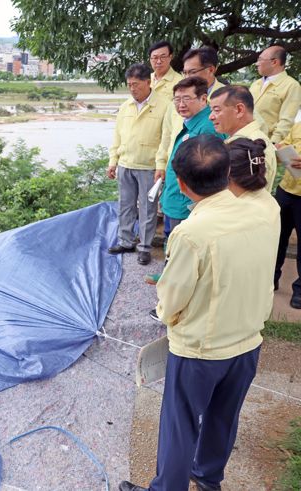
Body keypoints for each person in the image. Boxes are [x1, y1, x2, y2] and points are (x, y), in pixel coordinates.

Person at [119, 135, 280, 491]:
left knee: (181, 424)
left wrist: (166, 312)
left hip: (201, 350)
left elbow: (173, 297)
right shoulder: (265, 210)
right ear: (226, 173)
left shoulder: (192, 232)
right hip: (248, 339)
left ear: (181, 183)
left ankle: (168, 488)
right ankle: (208, 478)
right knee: (223, 416)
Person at [107, 63, 170, 265]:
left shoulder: (165, 105)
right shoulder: (126, 106)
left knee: (147, 208)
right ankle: (126, 241)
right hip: (126, 163)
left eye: (136, 84)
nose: (133, 89)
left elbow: (166, 139)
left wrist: (161, 165)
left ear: (148, 81)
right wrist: (113, 161)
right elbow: (117, 136)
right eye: (129, 85)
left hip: (149, 166)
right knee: (125, 206)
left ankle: (144, 247)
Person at [159, 77, 223, 239]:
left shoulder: (207, 126)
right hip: (175, 198)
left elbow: (206, 172)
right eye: (177, 99)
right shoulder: (191, 122)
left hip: (186, 204)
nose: (181, 104)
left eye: (187, 98)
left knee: (179, 248)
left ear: (203, 98)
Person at [209, 85, 277, 186]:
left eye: (217, 110)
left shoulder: (254, 145)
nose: (211, 117)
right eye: (211, 110)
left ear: (239, 110)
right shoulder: (236, 139)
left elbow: (247, 194)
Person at [249, 45, 301, 144]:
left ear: (274, 62)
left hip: (266, 142)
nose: (257, 64)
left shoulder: (291, 85)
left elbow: (286, 120)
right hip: (247, 138)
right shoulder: (256, 84)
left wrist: (273, 143)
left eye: (260, 60)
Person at [274, 122, 301, 307]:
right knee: (276, 238)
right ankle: (271, 278)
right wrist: (281, 149)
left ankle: (299, 290)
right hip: (286, 190)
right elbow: (285, 143)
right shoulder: (299, 125)